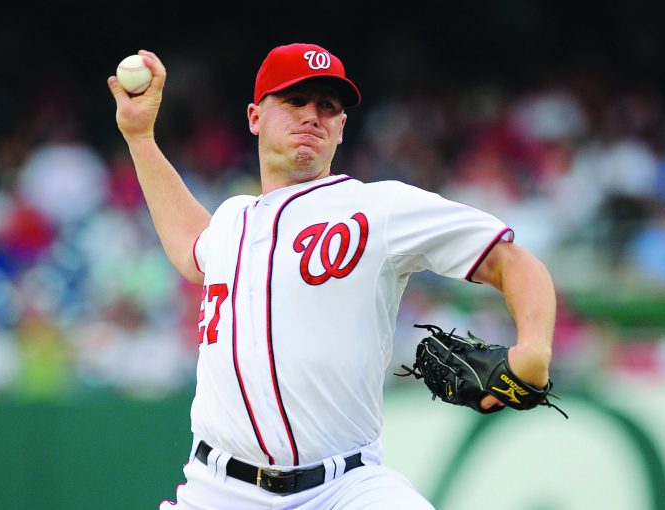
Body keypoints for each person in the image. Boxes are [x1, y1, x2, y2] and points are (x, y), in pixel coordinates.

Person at [108, 42, 557, 510]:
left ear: (341, 128)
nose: (311, 116)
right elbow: (189, 247)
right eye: (294, 101)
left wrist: (533, 348)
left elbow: (512, 261)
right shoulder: (231, 219)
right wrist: (140, 139)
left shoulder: (377, 208)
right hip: (218, 490)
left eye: (327, 106)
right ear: (255, 118)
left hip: (345, 488)